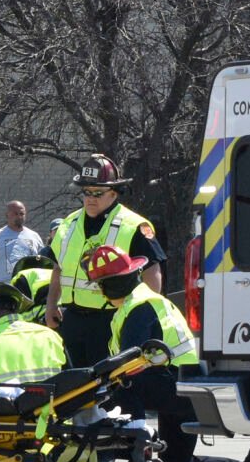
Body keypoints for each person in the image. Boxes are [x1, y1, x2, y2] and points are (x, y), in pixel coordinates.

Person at [83, 244, 250, 462]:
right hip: (184, 392)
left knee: (125, 384)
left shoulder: (139, 307)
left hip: (176, 387)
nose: (100, 292)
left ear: (109, 286)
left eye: (100, 286)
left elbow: (130, 362)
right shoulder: (141, 302)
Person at [43, 154, 169, 369]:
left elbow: (152, 272)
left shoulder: (134, 225)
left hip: (110, 318)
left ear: (113, 193)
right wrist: (51, 304)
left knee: (108, 386)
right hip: (71, 318)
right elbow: (58, 268)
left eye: (98, 193)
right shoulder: (69, 223)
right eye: (86, 192)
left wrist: (143, 315)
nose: (91, 198)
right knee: (73, 384)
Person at [0, 200, 45, 285]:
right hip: (3, 288)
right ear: (7, 215)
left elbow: (42, 263)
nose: (19, 216)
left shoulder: (34, 236)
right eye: (15, 214)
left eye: (22, 214)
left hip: (28, 287)